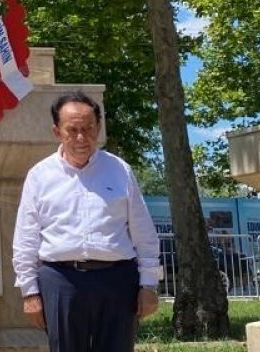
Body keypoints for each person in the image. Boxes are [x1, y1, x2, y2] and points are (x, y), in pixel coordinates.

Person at [12, 93, 161, 352]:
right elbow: (26, 238)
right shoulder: (39, 176)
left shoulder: (120, 170)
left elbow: (143, 232)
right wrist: (29, 291)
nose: (81, 138)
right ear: (57, 131)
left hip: (117, 280)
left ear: (99, 128)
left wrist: (148, 284)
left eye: (88, 128)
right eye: (72, 130)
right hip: (60, 280)